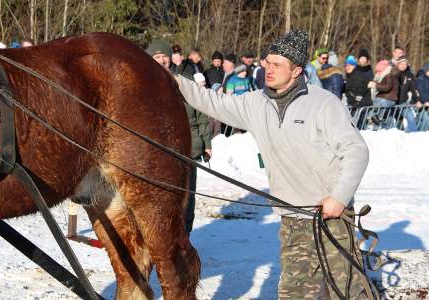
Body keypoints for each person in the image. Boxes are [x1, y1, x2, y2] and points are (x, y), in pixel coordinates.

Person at [175, 30, 373, 299]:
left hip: (331, 218)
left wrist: (338, 198)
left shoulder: (324, 104)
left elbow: (356, 151)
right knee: (294, 293)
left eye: (277, 65)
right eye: (268, 62)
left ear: (296, 70)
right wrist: (171, 79)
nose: (269, 69)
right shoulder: (257, 103)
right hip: (293, 221)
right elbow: (213, 101)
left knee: (348, 291)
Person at [146, 39, 212, 233]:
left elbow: (200, 114)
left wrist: (207, 142)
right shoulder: (143, 86)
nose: (160, 60)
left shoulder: (185, 83)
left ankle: (184, 236)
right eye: (156, 57)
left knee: (186, 197)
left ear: (171, 59)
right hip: (157, 152)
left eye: (164, 56)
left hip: (187, 148)